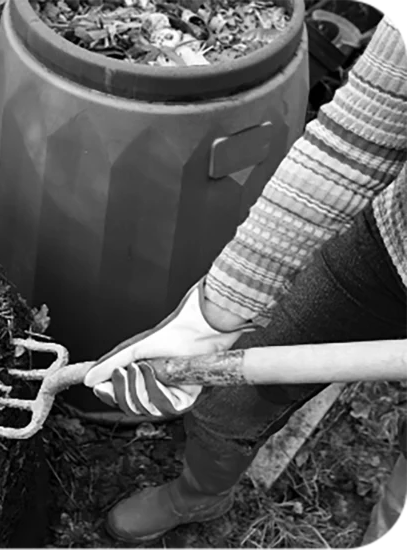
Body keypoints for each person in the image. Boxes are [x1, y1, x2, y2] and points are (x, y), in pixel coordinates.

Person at [83, 10, 407, 548]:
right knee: (227, 402)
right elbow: (361, 135)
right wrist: (213, 317)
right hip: (396, 246)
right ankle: (199, 495)